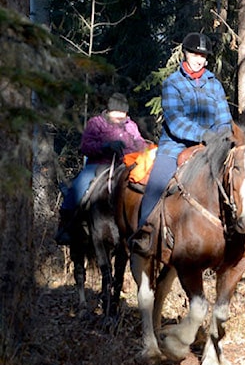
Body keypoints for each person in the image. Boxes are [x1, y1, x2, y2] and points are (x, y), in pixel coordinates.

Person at [128, 32, 233, 255]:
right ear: (185, 54)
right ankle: (144, 232)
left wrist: (220, 138)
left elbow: (224, 118)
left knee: (238, 175)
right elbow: (176, 122)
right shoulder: (172, 83)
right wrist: (204, 134)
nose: (199, 59)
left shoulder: (214, 84)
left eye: (203, 55)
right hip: (175, 146)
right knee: (157, 183)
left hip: (211, 146)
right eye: (195, 53)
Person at [55, 92, 146, 245]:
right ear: (109, 111)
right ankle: (66, 227)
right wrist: (106, 146)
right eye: (116, 117)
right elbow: (85, 146)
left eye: (122, 117)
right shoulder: (95, 123)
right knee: (78, 187)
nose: (119, 121)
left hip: (126, 165)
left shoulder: (131, 126)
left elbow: (139, 142)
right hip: (99, 164)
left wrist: (144, 148)